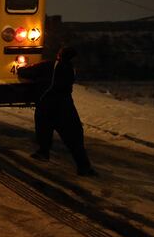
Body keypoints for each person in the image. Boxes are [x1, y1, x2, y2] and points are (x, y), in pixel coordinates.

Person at [18, 47, 97, 176]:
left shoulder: (48, 65)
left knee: (44, 128)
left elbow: (26, 72)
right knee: (74, 137)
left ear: (59, 55)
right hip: (66, 105)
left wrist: (21, 67)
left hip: (48, 104)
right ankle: (84, 166)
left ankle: (43, 152)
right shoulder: (71, 69)